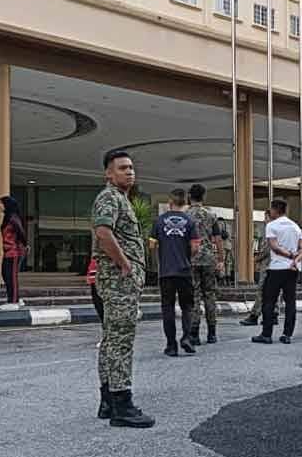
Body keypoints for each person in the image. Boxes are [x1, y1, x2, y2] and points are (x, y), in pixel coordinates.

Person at [92, 150, 154, 428]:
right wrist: (126, 264)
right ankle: (122, 405)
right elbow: (103, 232)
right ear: (108, 173)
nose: (129, 172)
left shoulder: (119, 199)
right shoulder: (109, 197)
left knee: (111, 340)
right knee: (120, 341)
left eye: (130, 167)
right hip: (119, 282)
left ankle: (108, 401)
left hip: (118, 281)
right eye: (122, 168)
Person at [151, 188, 201, 356]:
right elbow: (195, 247)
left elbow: (151, 245)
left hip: (166, 272)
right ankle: (187, 337)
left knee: (168, 308)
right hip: (185, 271)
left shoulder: (159, 221)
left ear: (170, 202)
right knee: (187, 306)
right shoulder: (190, 221)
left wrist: (163, 252)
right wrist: (186, 256)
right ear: (185, 203)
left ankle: (171, 346)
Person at [252, 198, 302, 344]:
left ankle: (266, 334)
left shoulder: (272, 226)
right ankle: (287, 334)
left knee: (269, 300)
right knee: (290, 302)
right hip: (293, 269)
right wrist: (295, 258)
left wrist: (289, 255)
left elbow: (274, 247)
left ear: (274, 210)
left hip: (276, 268)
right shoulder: (296, 227)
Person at [187, 183, 224, 345]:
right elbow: (218, 239)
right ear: (203, 197)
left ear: (190, 196)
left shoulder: (185, 215)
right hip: (209, 259)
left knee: (194, 295)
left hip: (191, 259)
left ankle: (194, 333)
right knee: (210, 295)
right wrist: (221, 259)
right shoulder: (211, 215)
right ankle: (212, 333)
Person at [240, 210, 277, 328]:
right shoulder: (279, 229)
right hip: (276, 265)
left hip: (268, 265)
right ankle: (274, 315)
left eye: (265, 217)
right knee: (274, 291)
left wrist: (256, 259)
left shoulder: (270, 229)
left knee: (262, 291)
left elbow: (266, 249)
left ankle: (254, 316)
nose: (264, 220)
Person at [0, 195, 28, 305]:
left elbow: (21, 233)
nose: (0, 206)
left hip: (14, 251)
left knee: (11, 276)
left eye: (1, 204)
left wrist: (24, 245)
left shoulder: (13, 218)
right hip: (7, 251)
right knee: (5, 274)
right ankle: (12, 298)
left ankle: (14, 301)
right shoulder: (7, 217)